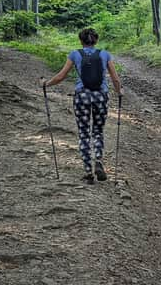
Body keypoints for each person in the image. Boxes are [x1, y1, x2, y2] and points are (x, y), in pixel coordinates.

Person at [43, 28, 123, 184]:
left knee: (84, 132)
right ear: (96, 41)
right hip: (101, 95)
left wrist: (46, 84)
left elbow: (61, 76)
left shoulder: (75, 54)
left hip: (82, 96)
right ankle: (98, 160)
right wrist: (120, 91)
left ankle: (88, 171)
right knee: (98, 130)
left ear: (81, 41)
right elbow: (115, 78)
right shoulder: (105, 54)